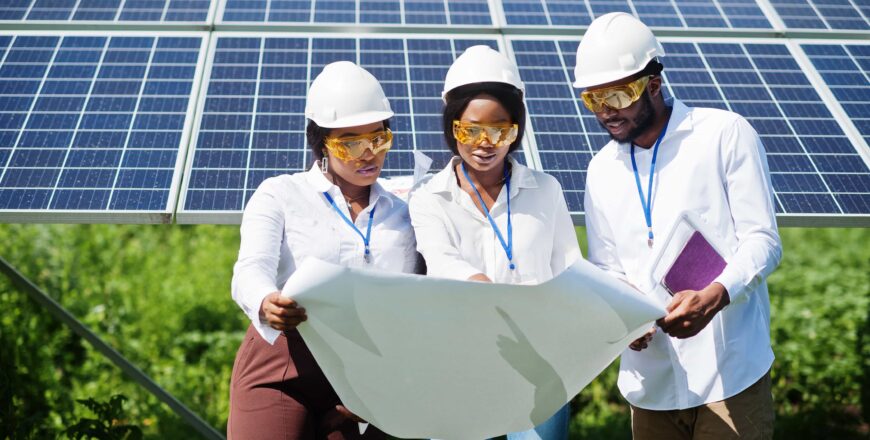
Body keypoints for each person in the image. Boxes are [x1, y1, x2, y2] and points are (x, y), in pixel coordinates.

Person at [576, 12, 783, 440]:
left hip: (729, 375)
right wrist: (623, 317)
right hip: (649, 386)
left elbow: (762, 240)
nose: (605, 113)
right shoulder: (600, 169)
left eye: (616, 97)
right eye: (592, 100)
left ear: (653, 84)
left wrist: (715, 295)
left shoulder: (724, 134)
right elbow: (608, 266)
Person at [227, 61, 418, 439]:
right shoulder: (281, 193)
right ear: (321, 142)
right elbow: (250, 268)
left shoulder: (408, 210)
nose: (368, 153)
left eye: (378, 139)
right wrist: (266, 301)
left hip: (367, 376)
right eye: (350, 142)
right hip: (283, 363)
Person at [409, 45, 581, 440]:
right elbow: (441, 260)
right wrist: (482, 287)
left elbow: (571, 269)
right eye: (470, 130)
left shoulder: (546, 191)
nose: (485, 143)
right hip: (458, 368)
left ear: (516, 129)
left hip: (539, 367)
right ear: (452, 127)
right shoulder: (428, 198)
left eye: (499, 130)